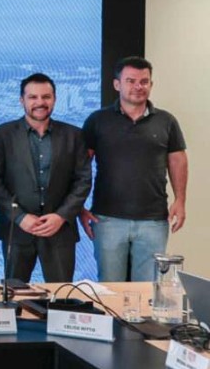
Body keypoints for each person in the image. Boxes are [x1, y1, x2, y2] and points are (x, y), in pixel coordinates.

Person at [80, 57, 187, 282]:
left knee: (148, 290)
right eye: (131, 81)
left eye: (144, 81)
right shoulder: (97, 120)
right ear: (117, 84)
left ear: (151, 84)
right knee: (110, 288)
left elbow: (177, 160)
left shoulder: (166, 121)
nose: (138, 87)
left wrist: (180, 200)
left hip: (154, 221)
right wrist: (79, 206)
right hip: (107, 220)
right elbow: (81, 166)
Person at [0, 73, 91, 283]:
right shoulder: (2, 134)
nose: (40, 103)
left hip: (59, 230)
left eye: (46, 97)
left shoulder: (74, 135)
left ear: (54, 99)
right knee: (14, 297)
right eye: (33, 97)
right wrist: (20, 217)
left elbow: (83, 181)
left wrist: (61, 216)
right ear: (22, 100)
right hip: (16, 230)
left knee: (62, 299)